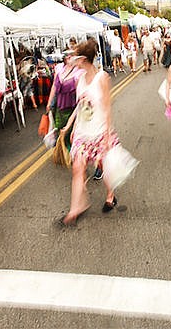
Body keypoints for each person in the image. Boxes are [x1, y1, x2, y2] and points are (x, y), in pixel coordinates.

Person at [59, 39, 120, 225]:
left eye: (76, 57)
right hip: (82, 132)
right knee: (78, 169)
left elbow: (108, 107)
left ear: (84, 59)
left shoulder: (102, 78)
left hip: (100, 131)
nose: (73, 60)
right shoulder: (79, 78)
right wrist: (72, 126)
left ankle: (111, 195)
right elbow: (80, 105)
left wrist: (108, 133)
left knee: (104, 166)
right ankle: (75, 208)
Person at [46, 50, 81, 153]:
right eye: (69, 56)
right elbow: (54, 87)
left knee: (71, 131)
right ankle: (64, 152)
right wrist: (49, 102)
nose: (71, 58)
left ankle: (73, 153)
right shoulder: (60, 69)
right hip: (60, 106)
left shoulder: (78, 72)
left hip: (72, 106)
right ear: (65, 58)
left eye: (73, 56)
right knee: (59, 128)